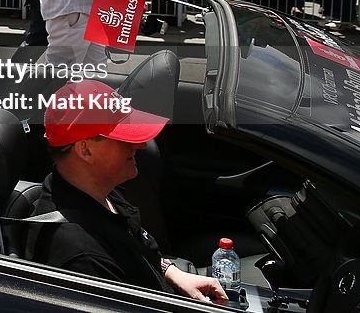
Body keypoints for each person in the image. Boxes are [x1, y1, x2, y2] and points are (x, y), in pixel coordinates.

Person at [28, 80, 228, 304]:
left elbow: (138, 249)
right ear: (85, 149)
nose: (141, 145)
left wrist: (173, 273)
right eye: (123, 137)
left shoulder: (97, 192)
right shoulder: (83, 259)